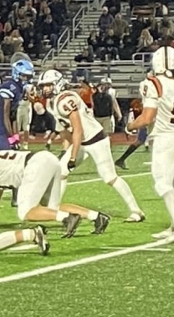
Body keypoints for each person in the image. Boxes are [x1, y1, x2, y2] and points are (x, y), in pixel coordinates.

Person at [37, 69, 144, 222]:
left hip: (96, 140)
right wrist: (66, 151)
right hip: (81, 142)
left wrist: (73, 156)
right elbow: (65, 131)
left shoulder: (64, 100)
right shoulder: (53, 102)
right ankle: (53, 209)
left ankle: (136, 211)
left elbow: (78, 129)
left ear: (57, 84)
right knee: (61, 171)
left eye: (48, 85)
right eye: (43, 86)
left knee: (109, 177)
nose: (45, 89)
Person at [0, 137, 109, 238]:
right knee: (52, 207)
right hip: (47, 159)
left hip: (34, 165)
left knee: (25, 212)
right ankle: (96, 217)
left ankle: (67, 218)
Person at [127, 46, 174, 243]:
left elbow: (147, 118)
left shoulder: (153, 83)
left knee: (162, 184)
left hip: (164, 138)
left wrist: (131, 125)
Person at [0, 59, 34, 150]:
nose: (26, 79)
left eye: (28, 77)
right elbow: (5, 115)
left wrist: (16, 136)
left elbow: (13, 116)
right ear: (17, 74)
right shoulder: (9, 87)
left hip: (1, 126)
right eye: (24, 76)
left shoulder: (19, 89)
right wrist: (11, 137)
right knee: (6, 153)